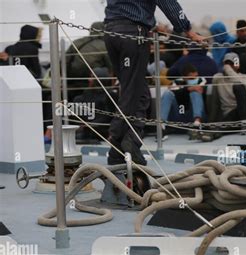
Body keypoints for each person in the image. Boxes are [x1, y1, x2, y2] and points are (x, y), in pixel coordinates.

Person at [103, 0, 204, 165]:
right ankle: (120, 142)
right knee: (133, 92)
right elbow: (168, 4)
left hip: (111, 32)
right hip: (133, 34)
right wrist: (188, 30)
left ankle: (124, 144)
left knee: (139, 92)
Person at [65, 22, 112, 100]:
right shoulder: (105, 45)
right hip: (91, 80)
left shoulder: (77, 42)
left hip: (72, 78)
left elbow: (65, 61)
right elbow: (111, 67)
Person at [210, 52, 246, 125]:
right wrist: (211, 120)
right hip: (230, 113)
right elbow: (214, 101)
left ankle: (245, 123)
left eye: (231, 63)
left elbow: (243, 85)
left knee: (238, 86)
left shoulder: (244, 77)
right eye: (227, 64)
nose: (228, 66)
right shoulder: (218, 78)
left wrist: (230, 69)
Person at [161, 63, 207, 129]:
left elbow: (200, 89)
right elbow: (173, 91)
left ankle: (197, 122)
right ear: (184, 78)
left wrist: (186, 89)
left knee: (195, 93)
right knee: (167, 93)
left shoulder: (201, 80)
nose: (194, 79)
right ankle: (162, 125)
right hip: (180, 111)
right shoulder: (177, 82)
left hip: (195, 112)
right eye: (191, 78)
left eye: (195, 77)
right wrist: (188, 89)